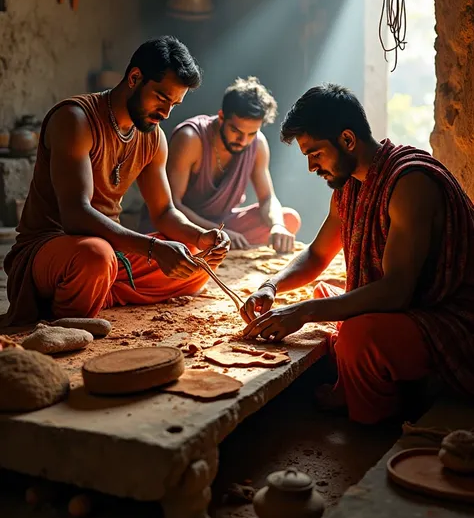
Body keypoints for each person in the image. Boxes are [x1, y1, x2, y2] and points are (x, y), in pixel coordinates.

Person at [241, 84, 474, 424]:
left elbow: (396, 292)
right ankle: (354, 381)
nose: (311, 167)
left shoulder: (410, 183)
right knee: (326, 294)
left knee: (356, 336)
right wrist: (271, 285)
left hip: (451, 318)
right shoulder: (351, 185)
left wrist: (302, 312)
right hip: (410, 308)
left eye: (315, 153)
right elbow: (317, 256)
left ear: (347, 140)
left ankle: (373, 419)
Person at [2, 37, 230, 326]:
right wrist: (151, 249)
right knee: (96, 256)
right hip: (55, 250)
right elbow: (75, 216)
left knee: (194, 256)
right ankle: (70, 314)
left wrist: (200, 236)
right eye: (161, 97)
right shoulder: (75, 119)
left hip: (113, 253)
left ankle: (98, 293)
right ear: (135, 78)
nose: (166, 113)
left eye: (174, 104)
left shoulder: (152, 136)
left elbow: (164, 212)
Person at [139, 76, 301, 253]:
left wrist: (278, 226)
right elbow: (172, 205)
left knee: (288, 219)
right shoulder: (191, 138)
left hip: (223, 223)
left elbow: (267, 198)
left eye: (251, 133)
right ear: (222, 117)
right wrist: (216, 234)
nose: (243, 140)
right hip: (183, 225)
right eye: (236, 131)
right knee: (179, 249)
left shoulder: (258, 144)